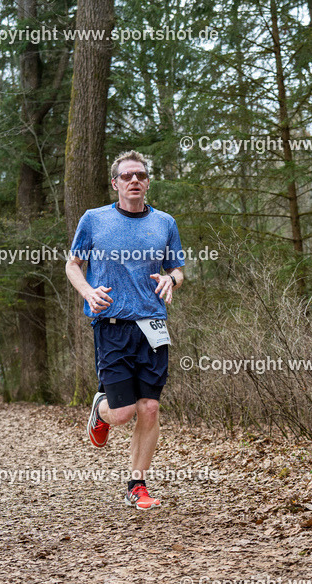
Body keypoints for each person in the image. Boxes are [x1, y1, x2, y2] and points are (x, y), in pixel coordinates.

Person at [65, 150, 185, 510]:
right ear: (115, 183)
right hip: (112, 325)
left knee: (150, 408)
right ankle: (100, 409)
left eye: (141, 175)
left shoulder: (165, 222)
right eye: (127, 175)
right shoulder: (94, 219)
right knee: (122, 413)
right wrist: (88, 291)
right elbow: (73, 265)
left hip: (153, 326)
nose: (135, 180)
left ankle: (137, 485)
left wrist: (171, 280)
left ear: (147, 183)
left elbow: (177, 269)